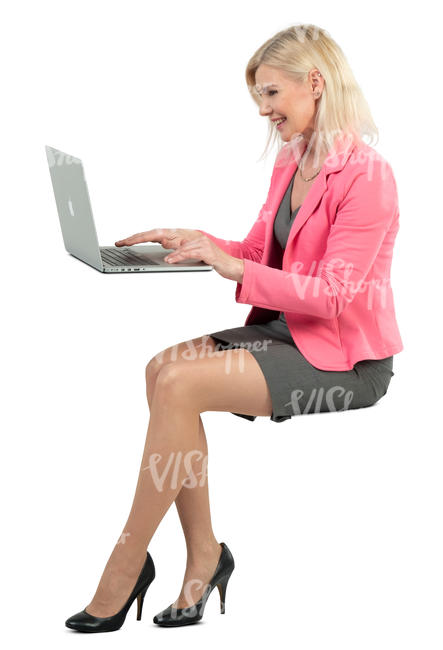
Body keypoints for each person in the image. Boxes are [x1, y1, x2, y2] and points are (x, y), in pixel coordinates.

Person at [65, 23, 403, 632]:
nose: (265, 110)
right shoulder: (295, 158)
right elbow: (257, 250)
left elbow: (334, 296)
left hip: (344, 360)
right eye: (259, 98)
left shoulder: (368, 177)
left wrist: (233, 268)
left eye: (272, 94)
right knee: (160, 371)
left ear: (315, 83)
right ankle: (206, 556)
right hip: (284, 331)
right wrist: (198, 242)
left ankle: (124, 564)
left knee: (179, 386)